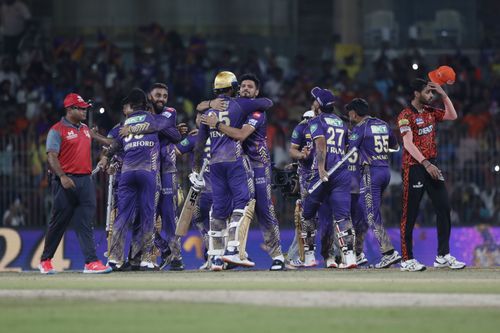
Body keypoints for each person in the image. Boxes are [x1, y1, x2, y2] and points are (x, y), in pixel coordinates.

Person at [201, 73, 285, 271]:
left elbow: (240, 135)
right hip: (238, 164)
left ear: (256, 92)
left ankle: (277, 255)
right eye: (244, 86)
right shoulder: (234, 108)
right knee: (237, 208)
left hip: (258, 165)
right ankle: (234, 254)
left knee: (263, 209)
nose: (246, 89)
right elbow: (203, 111)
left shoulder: (256, 113)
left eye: (250, 87)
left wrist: (216, 124)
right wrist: (208, 105)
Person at [104, 88, 180, 270]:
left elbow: (115, 145)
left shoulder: (126, 122)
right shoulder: (153, 118)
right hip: (148, 172)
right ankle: (147, 259)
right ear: (146, 105)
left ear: (131, 106)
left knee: (122, 216)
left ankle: (114, 259)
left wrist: (107, 157)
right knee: (148, 214)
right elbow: (175, 135)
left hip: (128, 173)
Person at [397, 79, 465, 271]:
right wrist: (425, 164)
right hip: (415, 167)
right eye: (428, 92)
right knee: (410, 214)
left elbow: (453, 115)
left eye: (432, 93)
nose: (431, 96)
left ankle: (442, 256)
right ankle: (407, 259)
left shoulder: (430, 112)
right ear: (416, 93)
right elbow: (408, 144)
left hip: (431, 165)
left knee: (444, 208)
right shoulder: (405, 115)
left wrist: (444, 95)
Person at [39, 93, 111, 274]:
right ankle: (45, 260)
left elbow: (105, 142)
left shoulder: (86, 129)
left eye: (85, 107)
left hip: (85, 181)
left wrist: (115, 141)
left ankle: (91, 262)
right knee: (58, 223)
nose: (84, 110)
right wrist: (62, 176)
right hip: (65, 181)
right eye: (81, 108)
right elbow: (51, 156)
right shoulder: (57, 130)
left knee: (86, 223)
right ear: (70, 109)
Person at [301, 87, 356, 269]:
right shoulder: (341, 122)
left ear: (319, 104)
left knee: (308, 213)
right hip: (341, 172)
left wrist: (321, 168)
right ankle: (350, 258)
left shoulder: (316, 121)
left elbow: (321, 144)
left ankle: (309, 256)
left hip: (323, 172)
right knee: (342, 216)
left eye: (315, 99)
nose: (313, 102)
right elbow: (347, 146)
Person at [345, 98, 401, 268]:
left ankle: (389, 253)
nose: (349, 116)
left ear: (354, 113)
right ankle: (358, 252)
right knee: (366, 210)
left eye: (350, 113)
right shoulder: (383, 124)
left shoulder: (360, 128)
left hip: (371, 173)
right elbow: (395, 147)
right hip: (385, 171)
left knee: (370, 214)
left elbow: (349, 150)